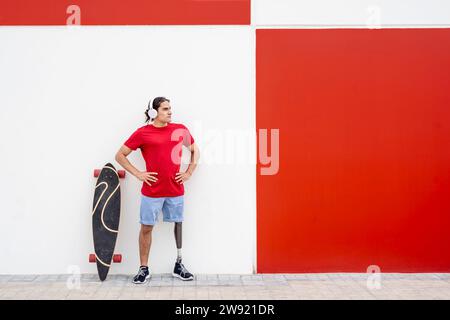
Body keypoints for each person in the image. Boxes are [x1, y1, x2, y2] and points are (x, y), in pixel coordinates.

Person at [115, 97, 200, 284]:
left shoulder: (180, 129)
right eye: (165, 109)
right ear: (154, 112)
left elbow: (195, 150)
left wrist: (189, 172)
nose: (170, 112)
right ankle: (143, 268)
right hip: (152, 191)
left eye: (170, 108)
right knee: (146, 227)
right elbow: (120, 155)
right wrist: (138, 173)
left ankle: (179, 264)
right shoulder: (143, 133)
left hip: (175, 189)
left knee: (178, 223)